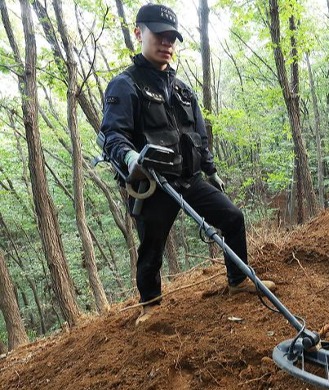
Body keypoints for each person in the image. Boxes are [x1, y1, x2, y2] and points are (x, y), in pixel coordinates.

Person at [100, 4, 275, 325]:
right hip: (151, 184)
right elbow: (112, 135)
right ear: (139, 33)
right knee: (152, 245)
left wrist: (212, 172)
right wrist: (131, 158)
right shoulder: (125, 85)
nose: (166, 43)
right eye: (159, 35)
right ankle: (150, 306)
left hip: (189, 178)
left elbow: (199, 136)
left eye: (172, 38)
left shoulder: (182, 89)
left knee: (233, 218)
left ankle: (238, 280)